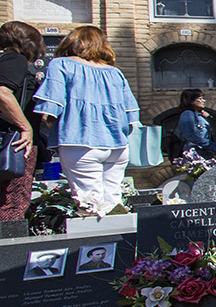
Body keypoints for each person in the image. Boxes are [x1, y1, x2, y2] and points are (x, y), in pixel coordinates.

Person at [33, 26, 139, 217]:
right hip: (117, 146)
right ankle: (121, 244)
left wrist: (53, 128)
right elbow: (131, 115)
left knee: (90, 206)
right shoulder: (115, 73)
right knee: (114, 203)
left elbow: (49, 109)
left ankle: (96, 246)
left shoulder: (61, 64)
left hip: (80, 141)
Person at [0, 21, 44, 223]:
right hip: (14, 142)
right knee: (14, 200)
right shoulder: (14, 59)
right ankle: (9, 249)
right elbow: (2, 93)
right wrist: (25, 128)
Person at [176, 89, 214, 156]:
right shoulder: (187, 114)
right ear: (191, 101)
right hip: (194, 153)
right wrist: (209, 144)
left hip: (204, 151)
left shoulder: (199, 115)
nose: (203, 101)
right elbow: (189, 135)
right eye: (200, 99)